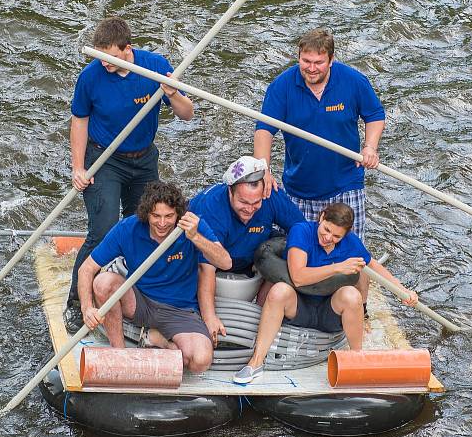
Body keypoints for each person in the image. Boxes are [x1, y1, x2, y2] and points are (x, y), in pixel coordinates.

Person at [66, 16, 195, 328]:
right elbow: (79, 120)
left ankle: (139, 290)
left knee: (152, 222)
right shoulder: (91, 77)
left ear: (127, 49)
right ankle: (75, 302)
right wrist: (78, 167)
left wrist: (172, 93)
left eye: (110, 57)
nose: (104, 64)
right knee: (103, 227)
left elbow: (188, 114)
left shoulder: (153, 65)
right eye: (99, 57)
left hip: (143, 159)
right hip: (104, 159)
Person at [233, 203, 418, 384]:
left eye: (337, 236)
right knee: (279, 291)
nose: (328, 238)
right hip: (299, 306)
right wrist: (337, 267)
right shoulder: (302, 231)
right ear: (321, 217)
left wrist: (402, 291)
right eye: (326, 229)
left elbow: (373, 266)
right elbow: (298, 277)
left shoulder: (350, 242)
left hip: (328, 311)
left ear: (345, 234)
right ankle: (256, 362)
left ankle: (357, 359)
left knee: (351, 295)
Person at [77, 181, 231, 372]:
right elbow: (86, 269)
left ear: (179, 215)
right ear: (146, 213)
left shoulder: (194, 224)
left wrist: (195, 237)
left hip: (180, 309)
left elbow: (226, 263)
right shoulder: (128, 228)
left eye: (169, 216)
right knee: (102, 283)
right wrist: (86, 308)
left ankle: (158, 339)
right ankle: (120, 355)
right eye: (156, 216)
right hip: (140, 301)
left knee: (200, 361)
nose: (162, 223)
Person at [253, 27, 384, 238]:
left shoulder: (353, 81)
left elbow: (375, 115)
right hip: (299, 189)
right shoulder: (281, 86)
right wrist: (262, 168)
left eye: (318, 63)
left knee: (349, 253)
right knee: (301, 252)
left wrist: (370, 146)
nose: (311, 68)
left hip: (346, 185)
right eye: (306, 61)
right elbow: (264, 130)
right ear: (298, 57)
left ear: (331, 60)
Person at [188, 156, 306, 346]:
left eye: (256, 203)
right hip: (207, 260)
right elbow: (206, 269)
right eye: (243, 202)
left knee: (291, 247)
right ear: (230, 191)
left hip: (250, 254)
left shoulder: (270, 194)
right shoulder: (211, 207)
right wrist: (209, 317)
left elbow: (301, 230)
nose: (249, 210)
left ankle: (261, 311)